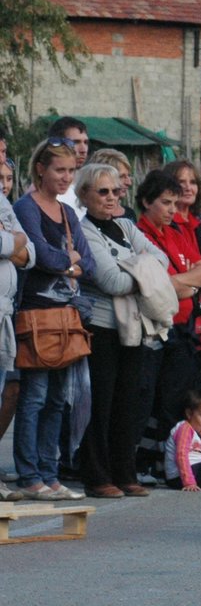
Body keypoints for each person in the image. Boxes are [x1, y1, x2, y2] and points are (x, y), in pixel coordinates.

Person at [77, 164, 179, 499]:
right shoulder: (85, 230)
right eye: (102, 191)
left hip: (134, 328)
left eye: (115, 191)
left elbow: (162, 260)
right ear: (84, 195)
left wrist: (137, 267)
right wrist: (142, 267)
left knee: (128, 405)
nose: (110, 198)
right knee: (101, 404)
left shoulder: (124, 225)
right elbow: (111, 280)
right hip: (102, 328)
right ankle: (97, 475)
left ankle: (125, 472)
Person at [12, 139, 93, 500]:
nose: (66, 177)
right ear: (40, 169)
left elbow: (87, 263)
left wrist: (70, 262)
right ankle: (29, 475)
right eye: (59, 170)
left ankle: (50, 471)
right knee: (35, 396)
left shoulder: (69, 213)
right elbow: (38, 254)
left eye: (71, 171)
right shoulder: (25, 207)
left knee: (59, 398)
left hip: (66, 313)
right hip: (37, 311)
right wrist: (68, 261)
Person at [136, 167, 201, 479]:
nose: (173, 209)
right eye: (166, 202)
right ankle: (154, 461)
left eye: (175, 203)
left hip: (186, 328)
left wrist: (187, 282)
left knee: (179, 398)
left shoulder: (177, 231)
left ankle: (173, 459)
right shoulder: (142, 234)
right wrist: (189, 282)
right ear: (146, 201)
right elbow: (166, 284)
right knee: (157, 401)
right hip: (161, 326)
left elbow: (200, 275)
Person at [0, 190, 36, 501]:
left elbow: (28, 251)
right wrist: (13, 241)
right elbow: (14, 242)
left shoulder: (1, 199)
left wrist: (14, 241)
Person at [45, 117, 90, 218]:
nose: (83, 149)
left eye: (86, 142)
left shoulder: (88, 186)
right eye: (76, 142)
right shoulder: (45, 192)